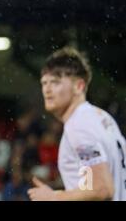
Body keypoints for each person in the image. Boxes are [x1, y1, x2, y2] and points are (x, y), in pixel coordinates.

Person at [28, 47, 126, 201]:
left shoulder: (79, 125)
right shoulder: (103, 117)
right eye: (44, 83)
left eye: (55, 82)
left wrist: (54, 197)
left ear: (79, 86)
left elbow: (102, 188)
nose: (47, 89)